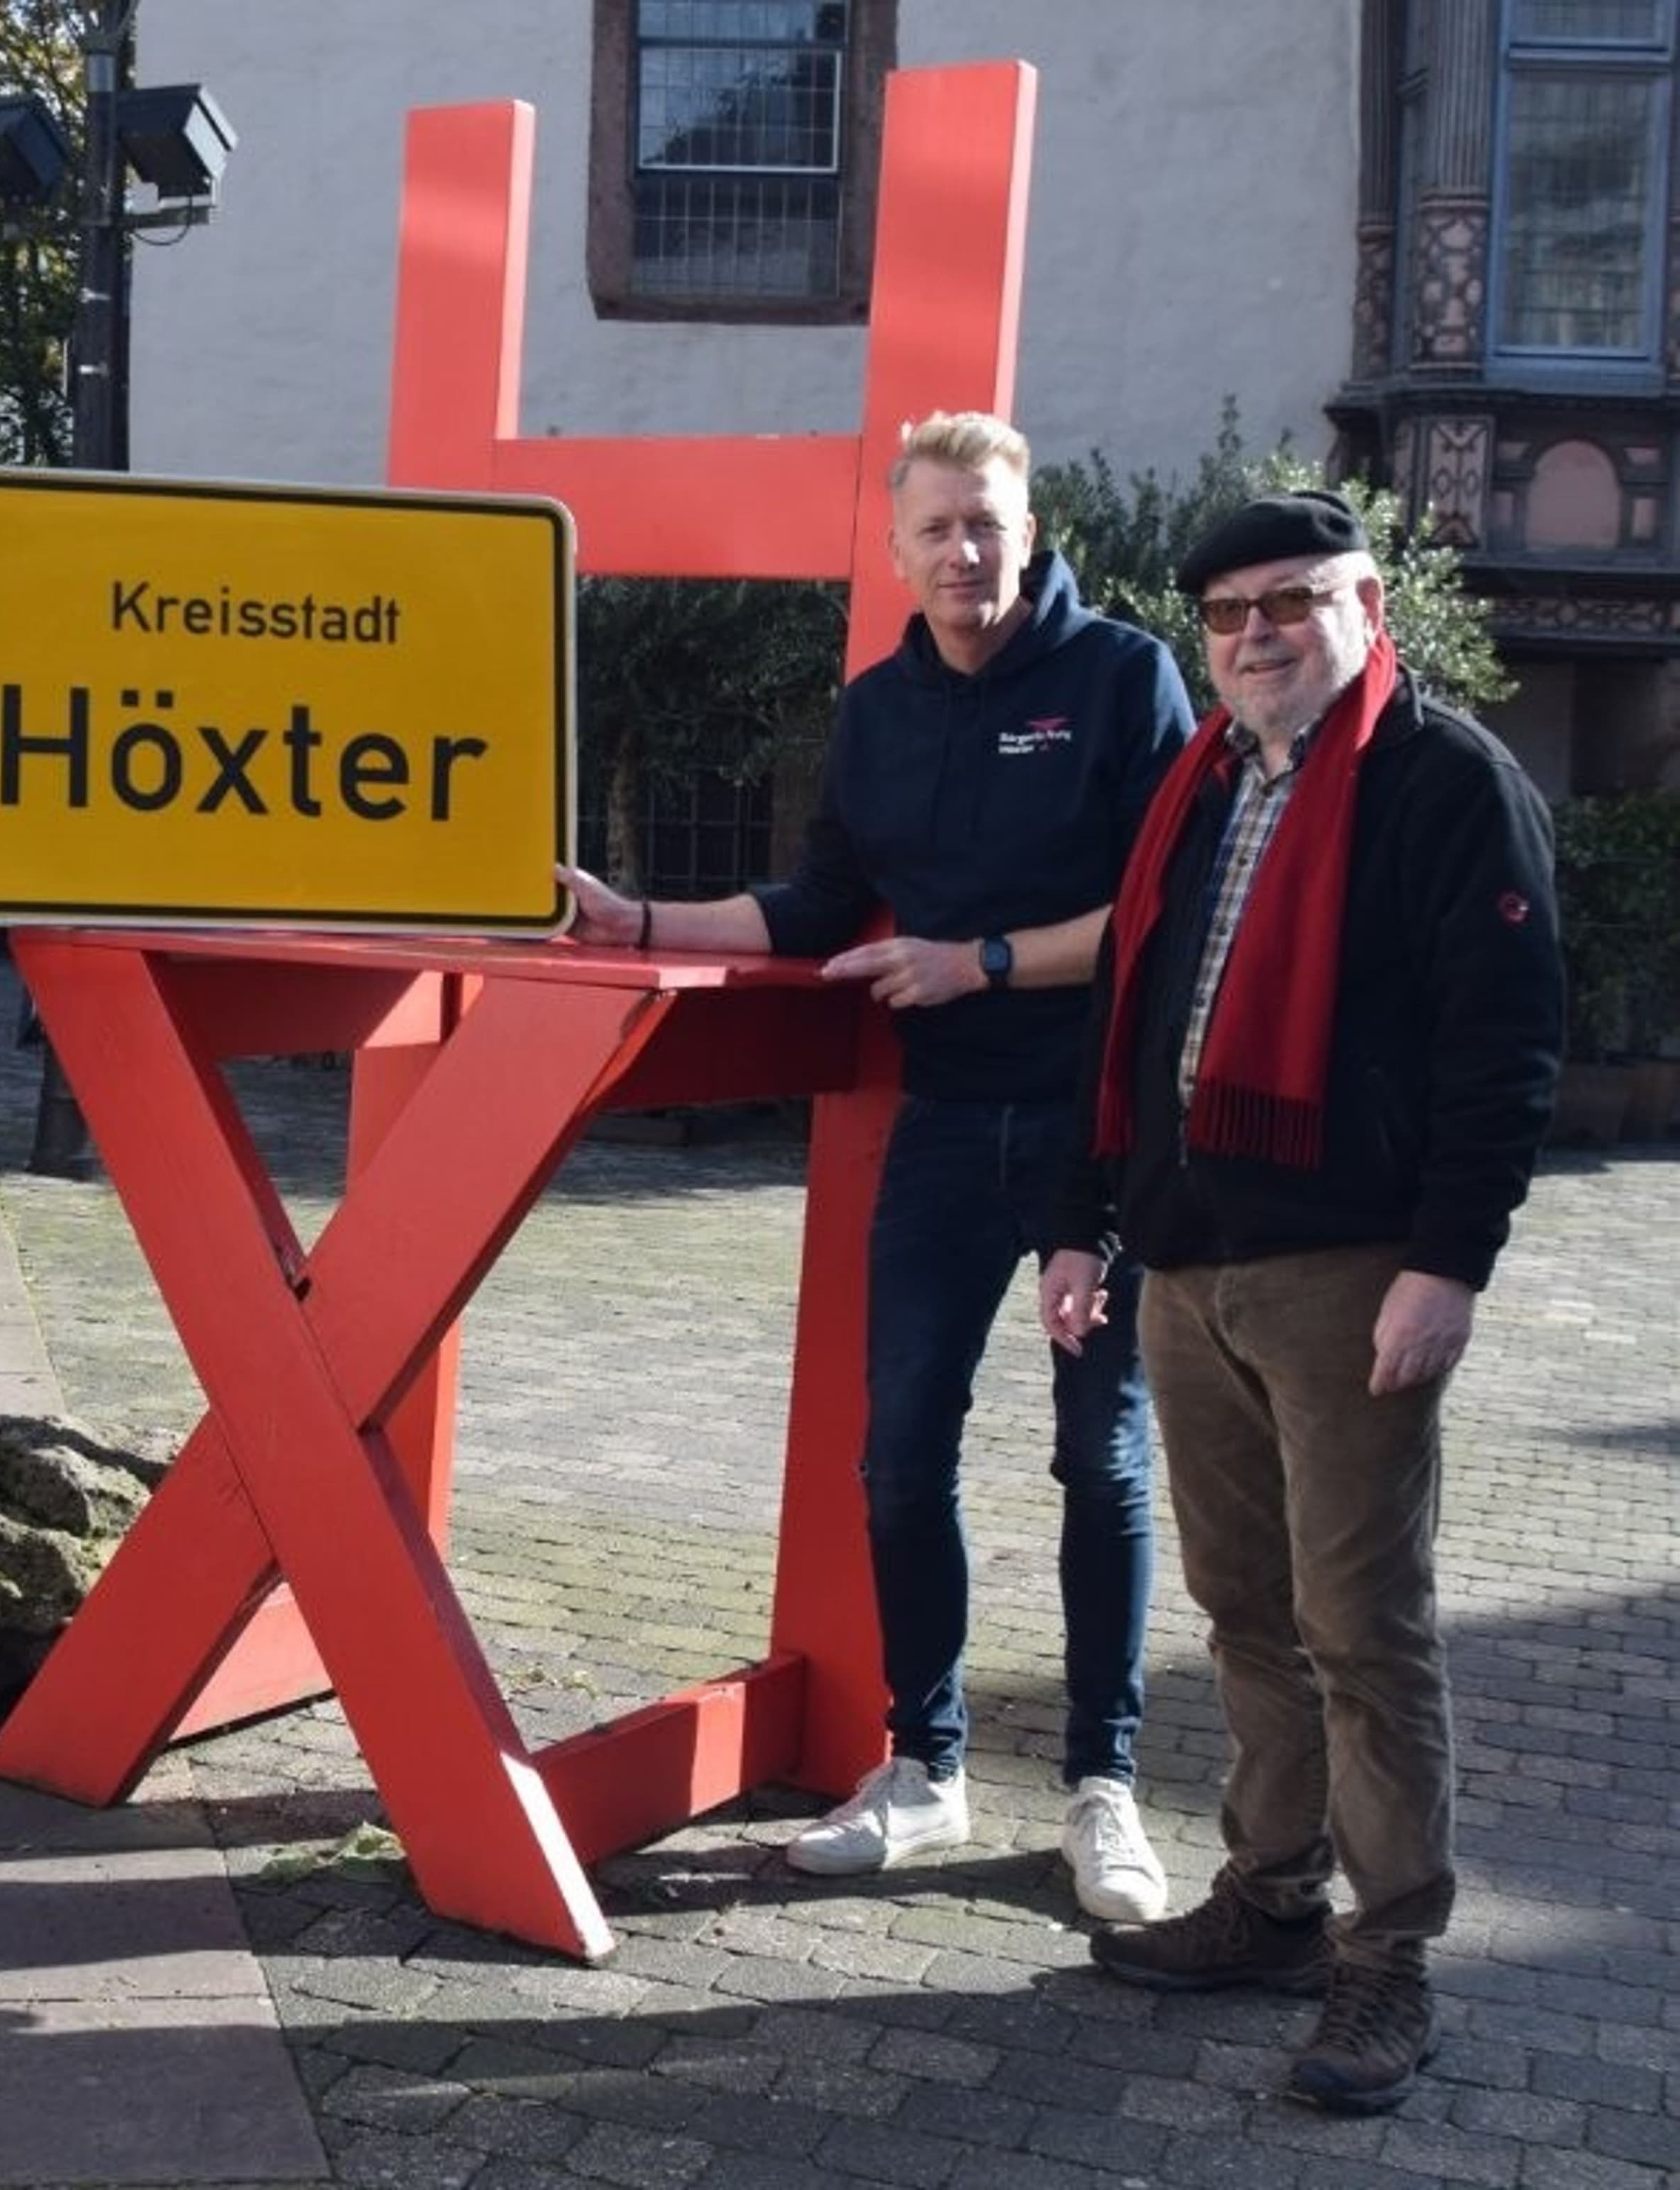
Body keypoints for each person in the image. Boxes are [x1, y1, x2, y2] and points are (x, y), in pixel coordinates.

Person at [560, 411, 1194, 1920]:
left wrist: (981, 959)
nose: (964, 551)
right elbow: (818, 903)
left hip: (1101, 1125)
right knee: (901, 1448)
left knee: (1099, 1457)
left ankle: (1104, 1787)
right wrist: (637, 920)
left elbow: (1167, 913)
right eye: (936, 529)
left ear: (1028, 533)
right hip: (945, 1127)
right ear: (899, 550)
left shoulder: (1124, 678)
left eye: (988, 523)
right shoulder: (879, 710)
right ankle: (926, 1766)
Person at [1040, 490, 1561, 2114]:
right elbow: (1129, 1019)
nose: (1256, 633)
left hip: (1351, 1273)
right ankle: (1272, 1900)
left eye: (1290, 600)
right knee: (1246, 1611)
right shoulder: (1201, 785)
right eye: (1228, 612)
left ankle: (1388, 1955)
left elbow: (1504, 1042)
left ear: (1364, 605)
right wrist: (1083, 1222)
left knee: (1363, 1625)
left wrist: (1448, 1262)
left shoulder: (1444, 781)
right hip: (1187, 1263)